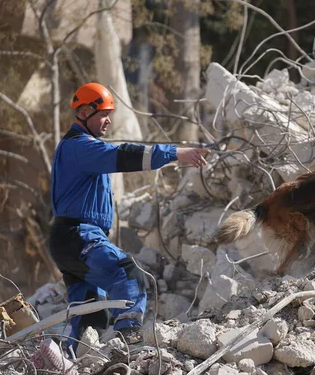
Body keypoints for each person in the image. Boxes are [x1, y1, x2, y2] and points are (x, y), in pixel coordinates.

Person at [48, 82, 209, 350]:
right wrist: (177, 153)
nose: (108, 120)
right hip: (78, 236)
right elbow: (124, 154)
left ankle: (71, 361)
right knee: (128, 274)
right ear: (85, 111)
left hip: (69, 240)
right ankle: (128, 343)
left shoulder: (78, 148)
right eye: (103, 114)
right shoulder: (81, 147)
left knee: (91, 316)